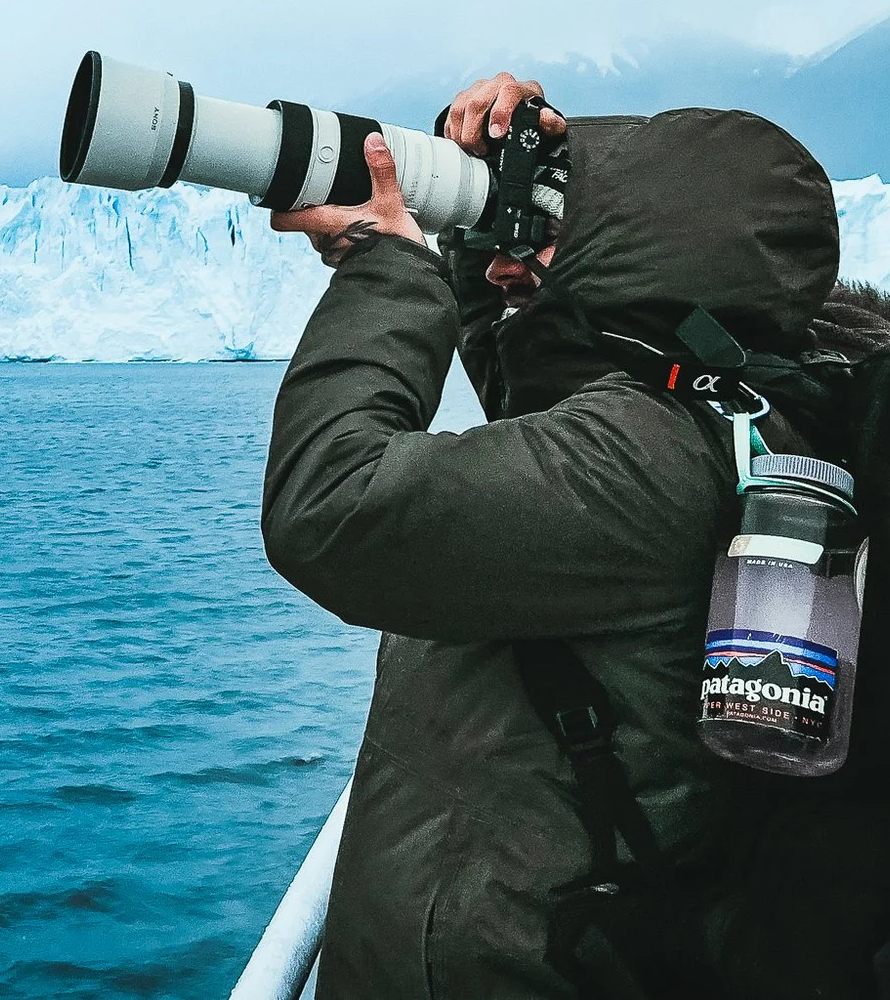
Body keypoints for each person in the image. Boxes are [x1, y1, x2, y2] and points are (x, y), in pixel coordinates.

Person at [256, 73, 857, 997]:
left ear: (649, 256)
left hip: (510, 962)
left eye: (548, 238)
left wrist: (387, 267)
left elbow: (330, 506)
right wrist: (468, 223)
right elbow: (533, 394)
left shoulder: (642, 460)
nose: (509, 266)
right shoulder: (708, 407)